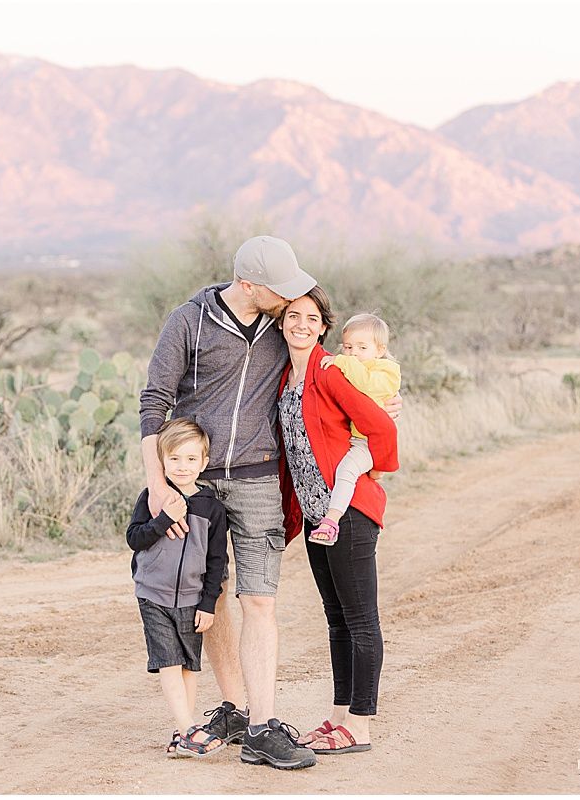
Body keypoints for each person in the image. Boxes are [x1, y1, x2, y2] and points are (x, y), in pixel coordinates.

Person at [139, 235, 321, 770]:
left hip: (259, 478)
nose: (289, 298)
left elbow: (327, 363)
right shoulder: (188, 321)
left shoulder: (282, 322)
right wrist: (159, 486)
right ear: (246, 284)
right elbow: (154, 401)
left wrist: (381, 398)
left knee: (259, 600)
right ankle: (235, 709)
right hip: (195, 486)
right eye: (278, 288)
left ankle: (263, 726)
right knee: (210, 597)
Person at [275, 286, 398, 756]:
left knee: (361, 619)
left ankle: (360, 726)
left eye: (312, 318)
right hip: (315, 515)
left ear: (323, 327)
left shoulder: (330, 370)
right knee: (336, 619)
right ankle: (339, 716)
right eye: (293, 315)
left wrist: (376, 470)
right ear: (281, 322)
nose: (301, 324)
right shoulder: (286, 376)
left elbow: (381, 426)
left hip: (347, 513)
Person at [126, 418, 229, 758]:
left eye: (190, 459)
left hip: (192, 599)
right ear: (162, 460)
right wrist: (164, 519)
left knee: (188, 664)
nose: (182, 467)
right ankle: (188, 730)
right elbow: (135, 538)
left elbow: (217, 560)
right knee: (168, 661)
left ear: (203, 462)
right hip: (152, 594)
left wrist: (208, 603)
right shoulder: (153, 497)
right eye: (174, 459)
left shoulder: (212, 508)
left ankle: (183, 731)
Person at [309, 313, 401, 546]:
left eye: (362, 347)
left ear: (380, 350)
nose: (353, 353)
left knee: (347, 471)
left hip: (369, 442)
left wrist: (342, 362)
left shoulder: (387, 371)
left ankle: (332, 520)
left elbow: (367, 384)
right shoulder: (352, 366)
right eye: (348, 347)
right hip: (357, 438)